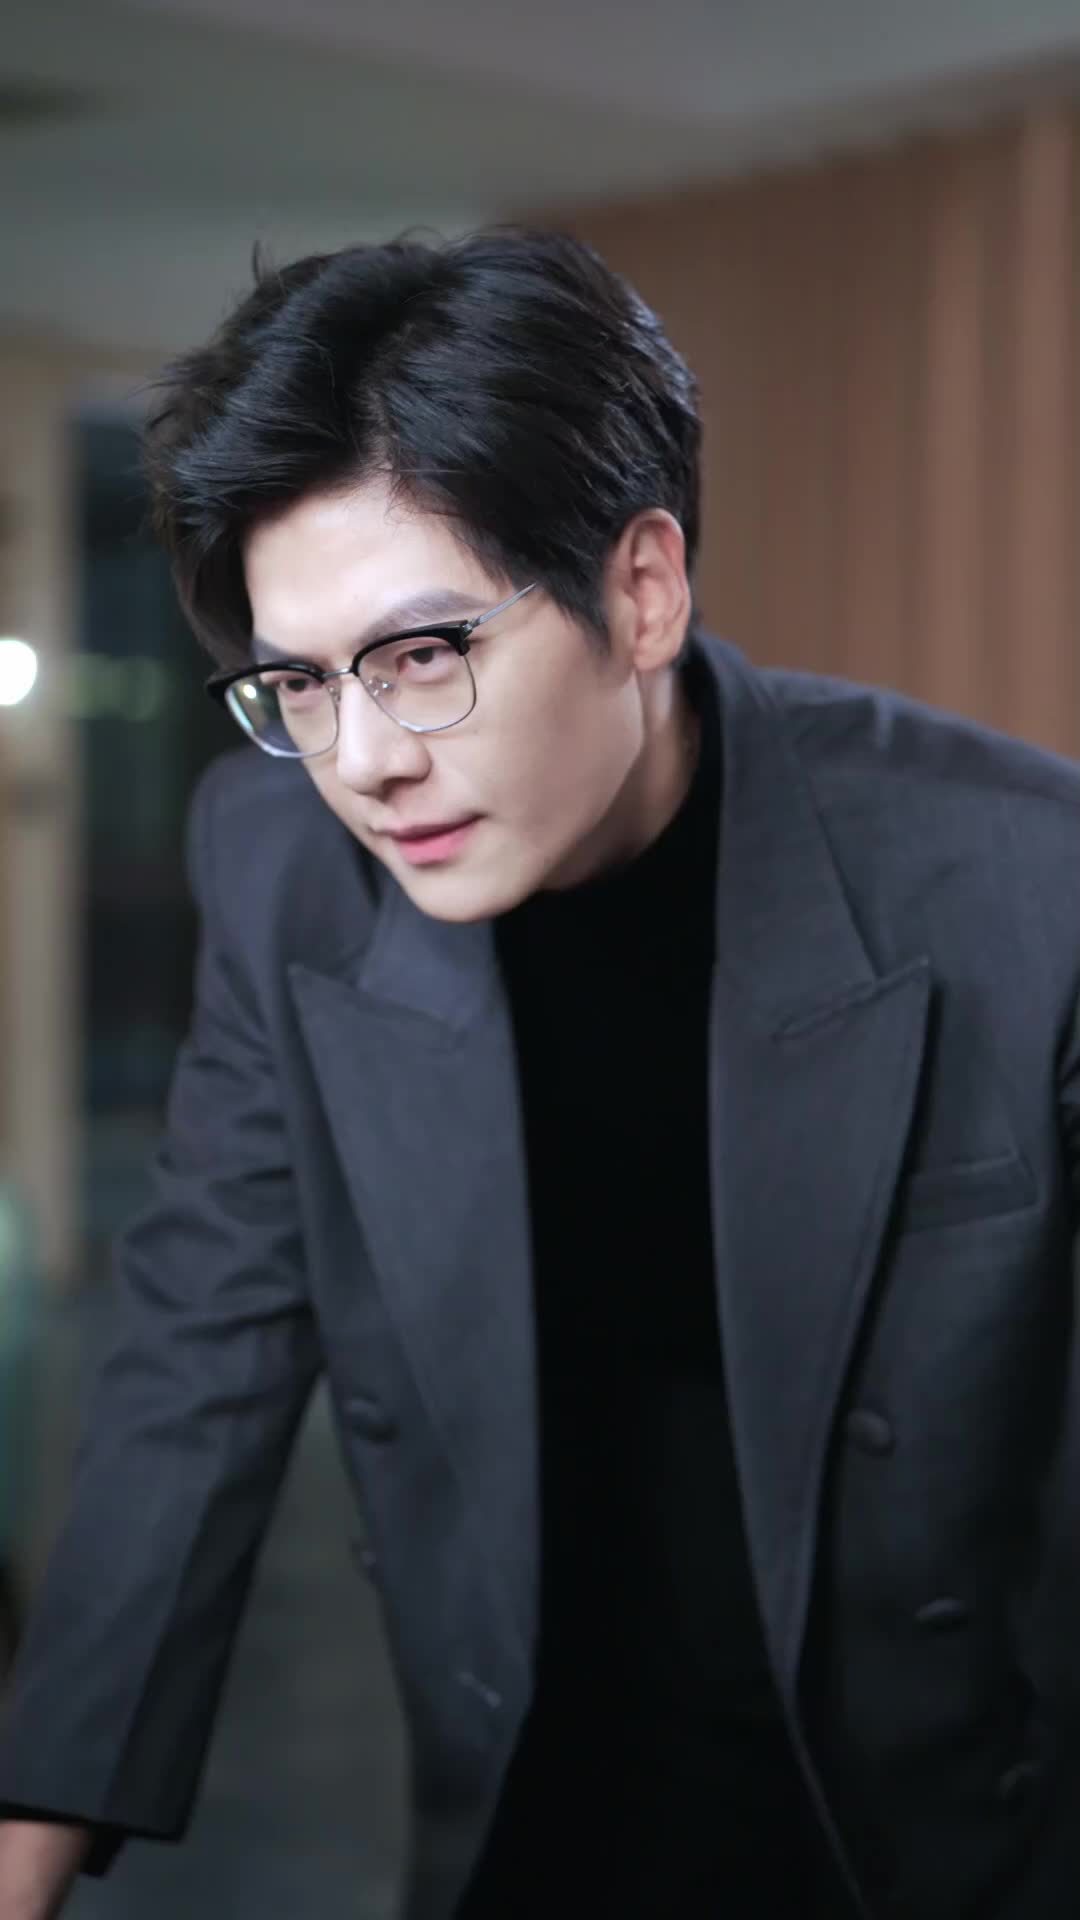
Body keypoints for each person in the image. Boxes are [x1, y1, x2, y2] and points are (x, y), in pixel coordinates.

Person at [0, 226, 1077, 1920]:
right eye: (297, 682)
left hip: (945, 1818)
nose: (363, 761)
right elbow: (199, 1354)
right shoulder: (281, 866)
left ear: (641, 590)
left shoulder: (1024, 879)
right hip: (529, 1799)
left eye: (425, 655)